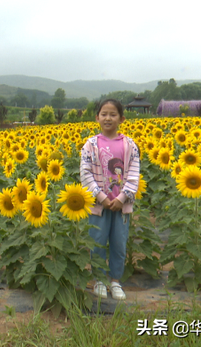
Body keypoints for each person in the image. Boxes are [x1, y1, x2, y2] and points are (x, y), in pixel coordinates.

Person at [79, 98, 140, 301]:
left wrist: (122, 198)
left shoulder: (130, 145)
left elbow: (133, 175)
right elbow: (85, 174)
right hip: (99, 205)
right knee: (97, 241)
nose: (108, 118)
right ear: (97, 117)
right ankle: (98, 279)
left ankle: (115, 281)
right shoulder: (90, 145)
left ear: (121, 119)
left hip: (121, 206)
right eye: (104, 114)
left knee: (118, 243)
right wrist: (101, 197)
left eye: (113, 114)